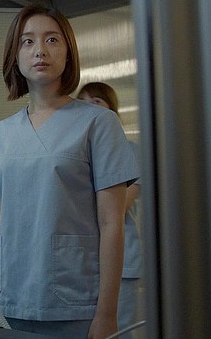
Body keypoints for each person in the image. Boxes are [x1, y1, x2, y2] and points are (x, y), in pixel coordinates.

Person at [0, 4, 138, 338]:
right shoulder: (0, 134)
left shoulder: (98, 123)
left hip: (75, 301)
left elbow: (112, 224)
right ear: (15, 56)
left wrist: (106, 314)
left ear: (68, 52)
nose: (40, 50)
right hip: (10, 300)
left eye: (52, 40)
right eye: (28, 41)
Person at [78, 81, 144, 336]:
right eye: (82, 101)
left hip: (122, 262)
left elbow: (120, 205)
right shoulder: (78, 151)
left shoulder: (130, 151)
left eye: (96, 101)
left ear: (112, 111)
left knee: (117, 331)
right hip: (83, 262)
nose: (88, 107)